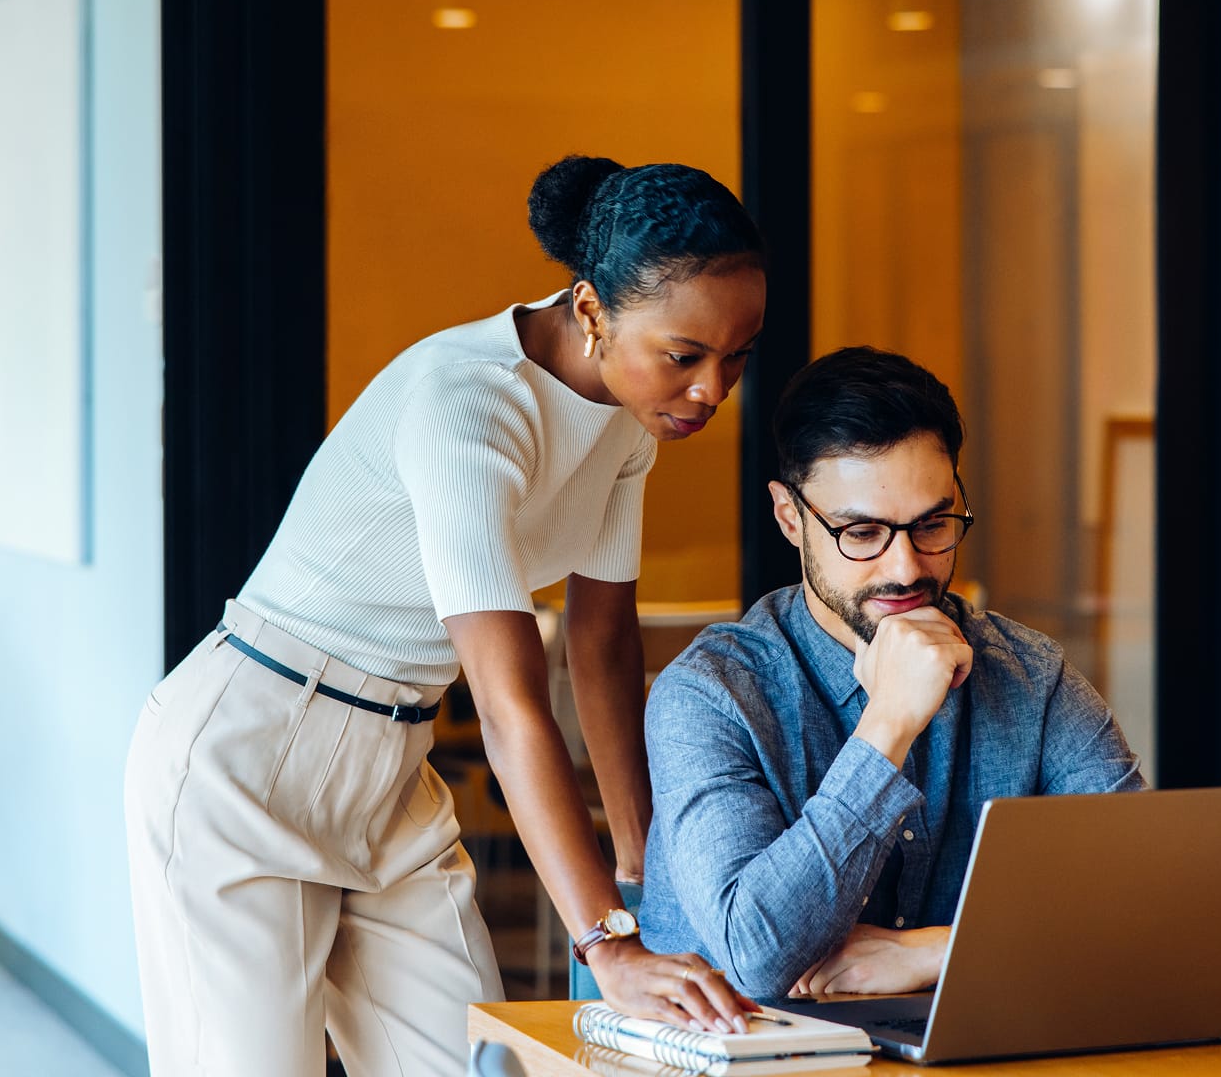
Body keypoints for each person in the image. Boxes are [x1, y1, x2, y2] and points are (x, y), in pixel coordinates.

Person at [125, 155, 764, 1077]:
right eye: (686, 356)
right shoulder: (468, 404)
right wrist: (607, 942)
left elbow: (599, 643)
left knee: (473, 1063)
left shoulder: (629, 419)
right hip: (248, 756)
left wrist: (641, 860)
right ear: (590, 311)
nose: (713, 388)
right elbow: (510, 707)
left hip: (393, 765)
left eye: (737, 355)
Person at [638, 347, 1146, 1001]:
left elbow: (1144, 898)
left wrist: (935, 950)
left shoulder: (1029, 675)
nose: (906, 568)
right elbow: (753, 956)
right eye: (863, 532)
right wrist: (890, 723)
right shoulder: (712, 694)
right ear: (790, 518)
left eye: (932, 524)